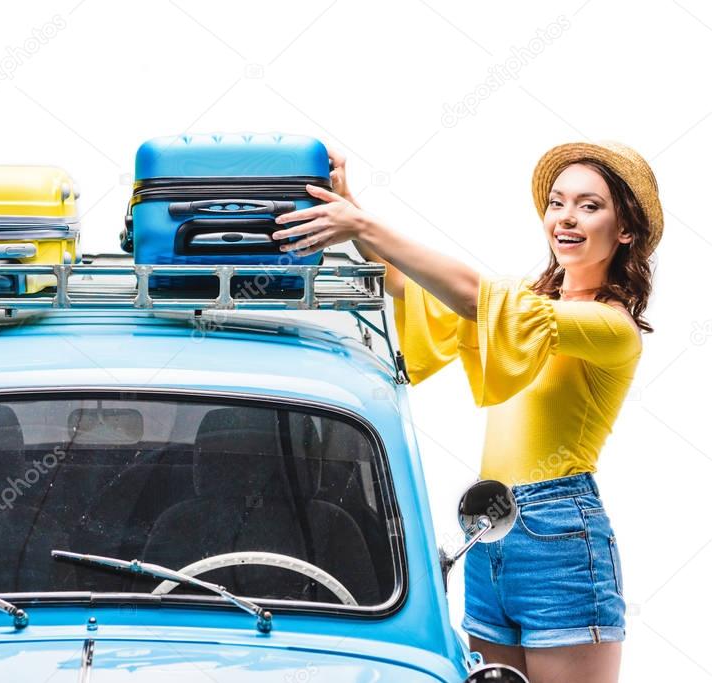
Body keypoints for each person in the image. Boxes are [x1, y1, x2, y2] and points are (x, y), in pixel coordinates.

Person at [271, 141, 662, 683]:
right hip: (485, 527)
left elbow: (473, 296)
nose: (566, 218)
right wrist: (351, 207)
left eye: (590, 206)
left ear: (626, 230)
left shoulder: (611, 327)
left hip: (560, 537)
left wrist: (360, 224)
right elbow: (418, 285)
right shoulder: (529, 306)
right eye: (557, 203)